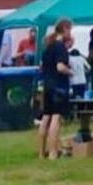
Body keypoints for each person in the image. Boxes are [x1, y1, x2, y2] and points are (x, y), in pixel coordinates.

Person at [36, 20, 73, 159]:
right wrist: (71, 72)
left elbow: (42, 67)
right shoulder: (59, 47)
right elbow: (60, 67)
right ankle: (52, 152)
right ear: (64, 29)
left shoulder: (48, 47)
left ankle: (41, 153)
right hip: (59, 87)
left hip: (47, 86)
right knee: (56, 119)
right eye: (70, 29)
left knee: (45, 118)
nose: (70, 33)